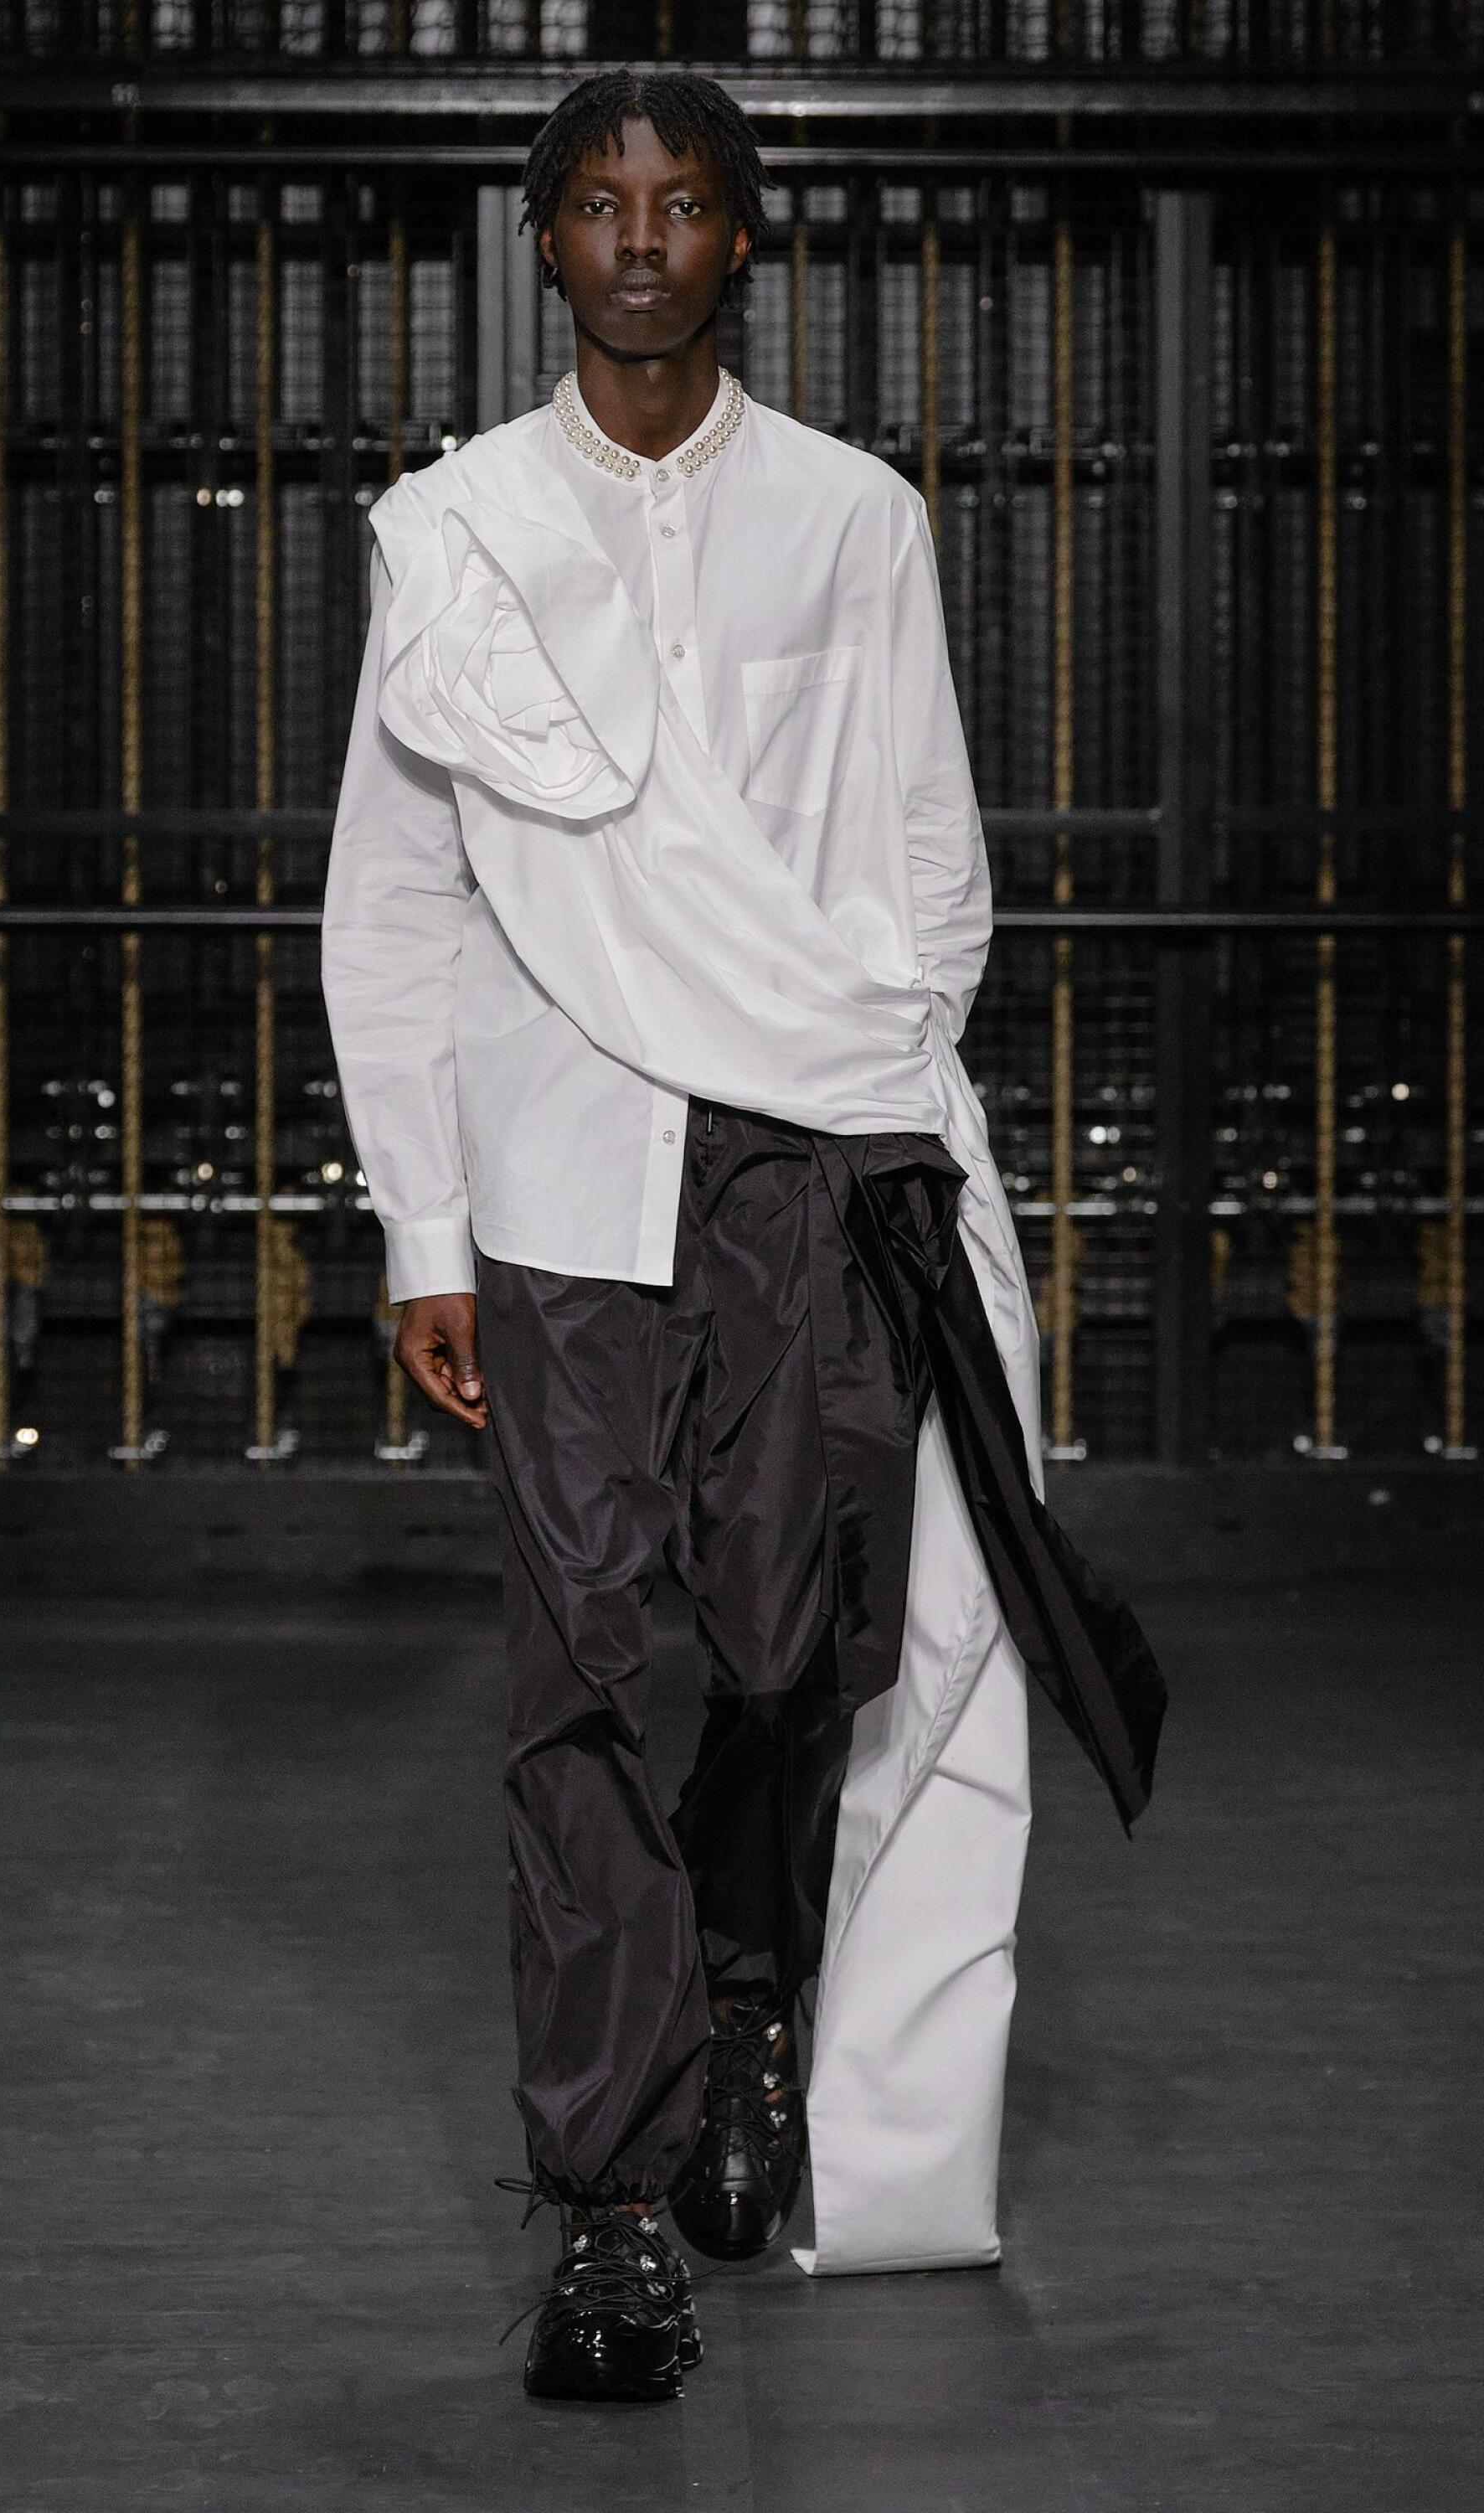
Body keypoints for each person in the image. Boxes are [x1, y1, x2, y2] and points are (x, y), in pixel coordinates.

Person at [322, 66, 1166, 2406]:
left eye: (683, 201)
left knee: (802, 1645)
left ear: (741, 239)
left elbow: (930, 855)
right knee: (578, 1671)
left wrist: (885, 1097)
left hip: (806, 1171)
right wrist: (424, 1228)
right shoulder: (460, 532)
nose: (640, 238)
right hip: (561, 1188)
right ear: (543, 239)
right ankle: (609, 2204)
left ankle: (747, 1990)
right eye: (599, 202)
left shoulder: (852, 519)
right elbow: (392, 899)